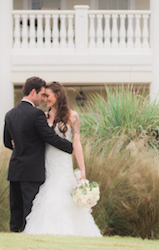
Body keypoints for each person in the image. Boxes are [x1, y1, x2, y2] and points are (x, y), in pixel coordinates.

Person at [23, 81, 102, 237]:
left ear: (58, 95)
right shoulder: (43, 116)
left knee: (62, 193)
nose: (45, 99)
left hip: (64, 163)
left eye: (48, 96)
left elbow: (77, 144)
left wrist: (82, 170)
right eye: (43, 96)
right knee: (49, 194)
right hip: (48, 162)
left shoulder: (73, 116)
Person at [3, 76, 74, 233]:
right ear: (33, 92)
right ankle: (29, 237)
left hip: (15, 169)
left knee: (16, 209)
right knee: (30, 208)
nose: (43, 99)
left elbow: (7, 142)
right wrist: (70, 147)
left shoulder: (10, 114)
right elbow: (48, 137)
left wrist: (19, 144)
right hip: (32, 171)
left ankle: (15, 235)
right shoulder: (37, 115)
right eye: (42, 94)